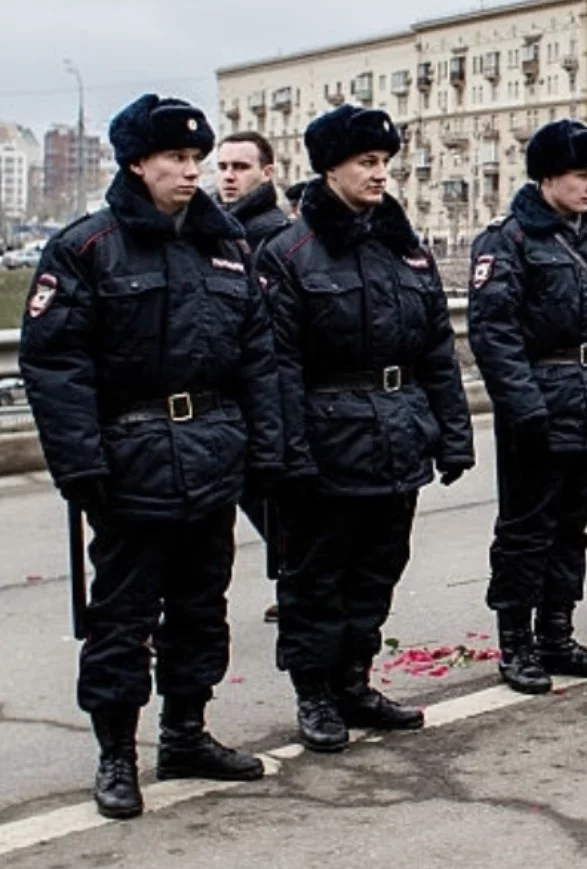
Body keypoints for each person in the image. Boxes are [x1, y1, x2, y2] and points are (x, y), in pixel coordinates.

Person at [19, 94, 284, 818]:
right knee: (122, 617)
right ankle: (115, 754)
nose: (191, 172)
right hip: (130, 459)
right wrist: (80, 465)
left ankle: (187, 733)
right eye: (175, 158)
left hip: (213, 453)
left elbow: (257, 356)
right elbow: (55, 365)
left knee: (201, 607)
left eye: (197, 159)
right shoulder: (87, 247)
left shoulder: (226, 245)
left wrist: (264, 449)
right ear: (137, 163)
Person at [256, 105, 475, 751]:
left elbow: (437, 349)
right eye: (366, 164)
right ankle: (314, 693)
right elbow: (278, 366)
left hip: (397, 433)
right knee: (315, 577)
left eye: (384, 163)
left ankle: (354, 681)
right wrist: (290, 454)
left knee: (378, 569)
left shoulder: (402, 249)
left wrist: (452, 433)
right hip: (326, 441)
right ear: (330, 168)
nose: (380, 175)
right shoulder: (289, 253)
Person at [469, 120, 587, 692]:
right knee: (526, 529)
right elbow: (495, 335)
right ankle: (516, 641)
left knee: (572, 527)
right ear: (547, 178)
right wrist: (525, 408)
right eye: (581, 175)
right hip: (542, 401)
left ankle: (557, 633)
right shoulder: (510, 239)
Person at [214, 129, 292, 623]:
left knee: (266, 497)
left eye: (239, 168)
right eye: (221, 167)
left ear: (266, 174)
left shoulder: (269, 235)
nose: (227, 177)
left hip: (262, 392)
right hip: (229, 394)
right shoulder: (217, 229)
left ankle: (299, 579)